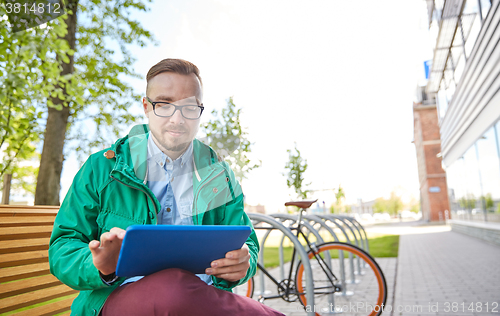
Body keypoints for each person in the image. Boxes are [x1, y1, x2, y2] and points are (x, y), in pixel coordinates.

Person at [49, 58, 283, 316]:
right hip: (119, 299)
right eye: (164, 104)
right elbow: (63, 247)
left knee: (179, 289)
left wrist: (243, 263)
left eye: (190, 107)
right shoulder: (101, 168)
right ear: (146, 107)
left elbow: (245, 241)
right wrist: (100, 266)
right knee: (173, 286)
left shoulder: (219, 174)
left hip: (202, 302)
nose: (177, 118)